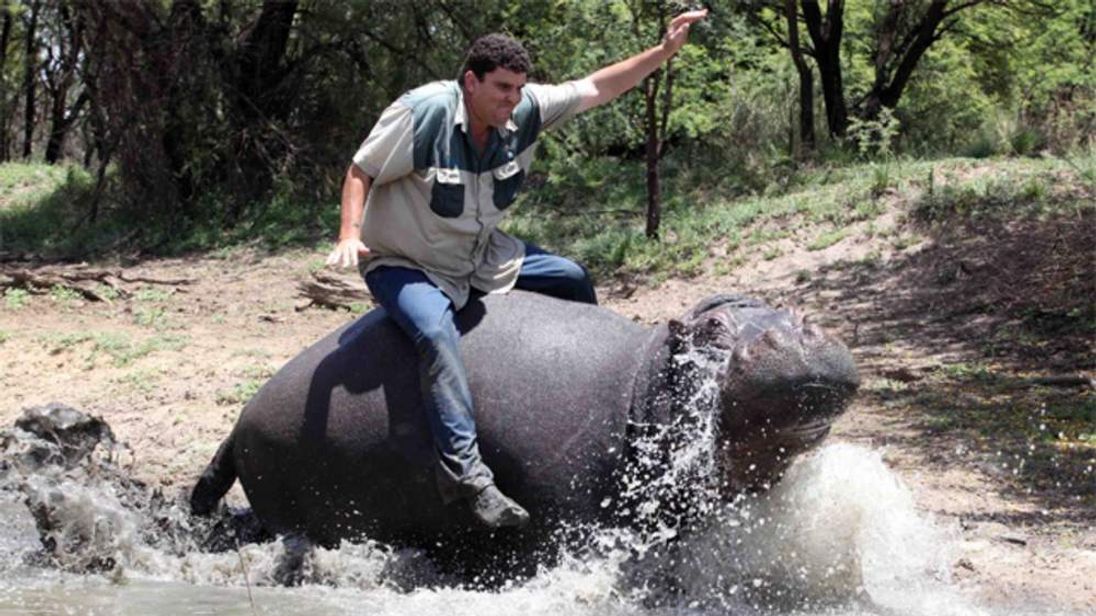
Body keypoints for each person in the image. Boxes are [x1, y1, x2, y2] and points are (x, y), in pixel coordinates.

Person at [326, 9, 708, 528]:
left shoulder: (524, 110)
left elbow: (597, 88)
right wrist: (350, 233)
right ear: (470, 82)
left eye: (518, 89)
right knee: (436, 333)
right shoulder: (424, 114)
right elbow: (360, 169)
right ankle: (465, 475)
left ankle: (590, 400)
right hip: (407, 261)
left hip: (481, 256)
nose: (511, 99)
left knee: (571, 278)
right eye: (501, 88)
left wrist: (663, 52)